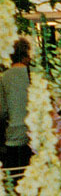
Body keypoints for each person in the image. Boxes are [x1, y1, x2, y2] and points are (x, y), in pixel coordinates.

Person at [0, 37, 32, 180]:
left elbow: (2, 111)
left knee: (16, 180)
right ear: (26, 55)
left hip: (14, 137)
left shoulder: (3, 78)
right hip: (34, 135)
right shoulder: (34, 74)